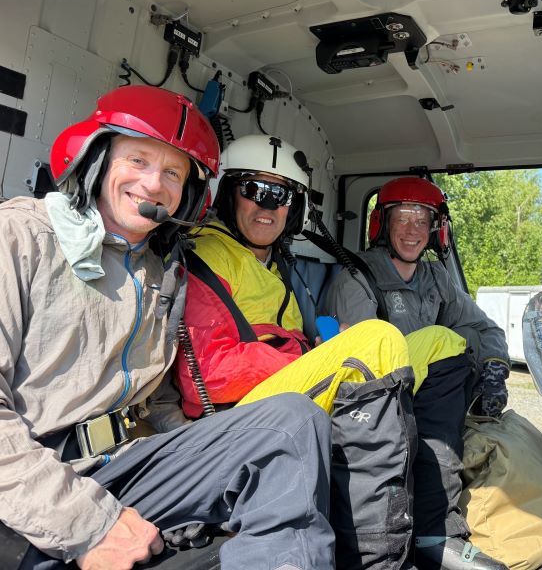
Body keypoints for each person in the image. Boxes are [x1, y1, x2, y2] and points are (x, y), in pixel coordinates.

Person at [0, 85, 334, 570]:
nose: (154, 185)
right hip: (36, 488)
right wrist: (87, 524)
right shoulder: (19, 237)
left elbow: (154, 399)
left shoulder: (161, 271)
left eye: (173, 172)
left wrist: (212, 447)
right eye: (137, 160)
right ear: (97, 159)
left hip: (124, 465)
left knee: (291, 423)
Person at [175, 135, 506, 570]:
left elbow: (278, 340)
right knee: (378, 339)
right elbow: (207, 377)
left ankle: (431, 526)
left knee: (444, 341)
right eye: (255, 190)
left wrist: (494, 365)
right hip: (239, 414)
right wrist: (306, 355)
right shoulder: (209, 253)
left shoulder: (272, 262)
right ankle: (371, 552)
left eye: (282, 197)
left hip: (278, 393)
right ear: (227, 194)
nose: (268, 207)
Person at [325, 177, 511, 569]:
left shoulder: (436, 279)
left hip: (432, 398)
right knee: (444, 341)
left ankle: (436, 530)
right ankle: (435, 531)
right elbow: (361, 370)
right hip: (376, 402)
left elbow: (487, 329)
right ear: (383, 224)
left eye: (422, 220)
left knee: (458, 341)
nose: (412, 231)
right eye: (403, 218)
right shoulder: (356, 278)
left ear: (435, 229)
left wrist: (494, 368)